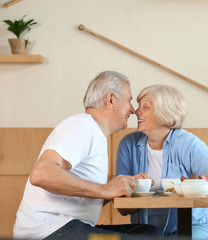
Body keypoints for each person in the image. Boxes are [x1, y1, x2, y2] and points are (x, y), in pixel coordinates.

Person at [13, 71, 162, 240]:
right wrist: (106, 189)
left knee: (150, 234)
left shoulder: (95, 133)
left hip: (70, 226)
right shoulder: (82, 126)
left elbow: (85, 196)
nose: (133, 110)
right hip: (48, 231)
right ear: (111, 99)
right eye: (129, 100)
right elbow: (41, 174)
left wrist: (119, 189)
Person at [116, 84, 208, 240]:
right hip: (148, 232)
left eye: (146, 107)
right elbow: (121, 208)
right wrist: (131, 187)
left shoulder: (186, 143)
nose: (136, 111)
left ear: (165, 113)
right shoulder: (128, 145)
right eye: (139, 105)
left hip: (195, 226)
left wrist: (184, 188)